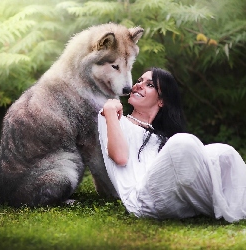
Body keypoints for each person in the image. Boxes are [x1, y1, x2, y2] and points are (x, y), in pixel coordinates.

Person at [98, 67, 246, 223]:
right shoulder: (112, 116)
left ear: (161, 101)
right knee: (182, 142)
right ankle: (223, 205)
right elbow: (120, 157)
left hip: (171, 195)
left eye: (150, 85)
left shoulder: (161, 138)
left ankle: (235, 205)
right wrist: (109, 109)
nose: (139, 85)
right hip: (141, 200)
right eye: (139, 81)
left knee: (224, 152)